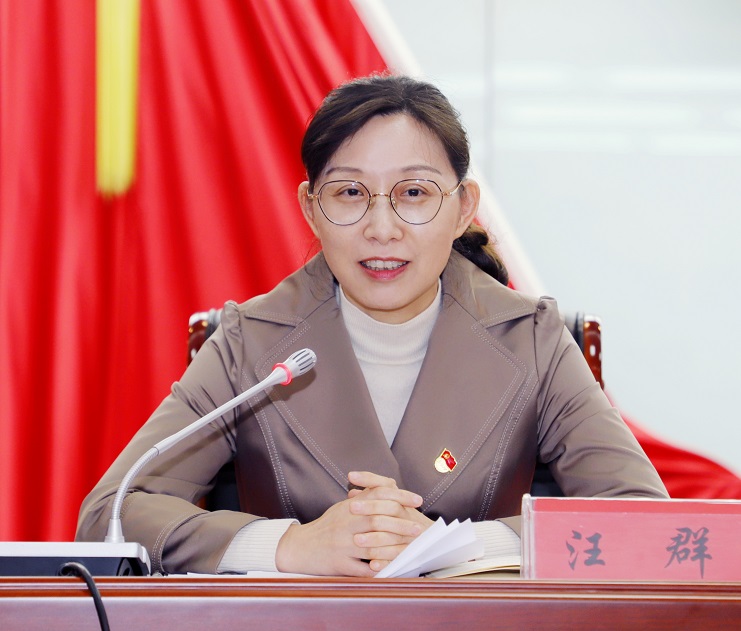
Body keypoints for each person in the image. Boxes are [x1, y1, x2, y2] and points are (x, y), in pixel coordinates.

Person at [76, 74, 667, 576]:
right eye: (350, 193)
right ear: (311, 208)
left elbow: (644, 519)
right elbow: (111, 513)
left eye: (413, 193)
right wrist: (290, 547)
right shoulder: (249, 341)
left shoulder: (532, 338)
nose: (382, 229)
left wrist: (460, 546)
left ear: (463, 207)